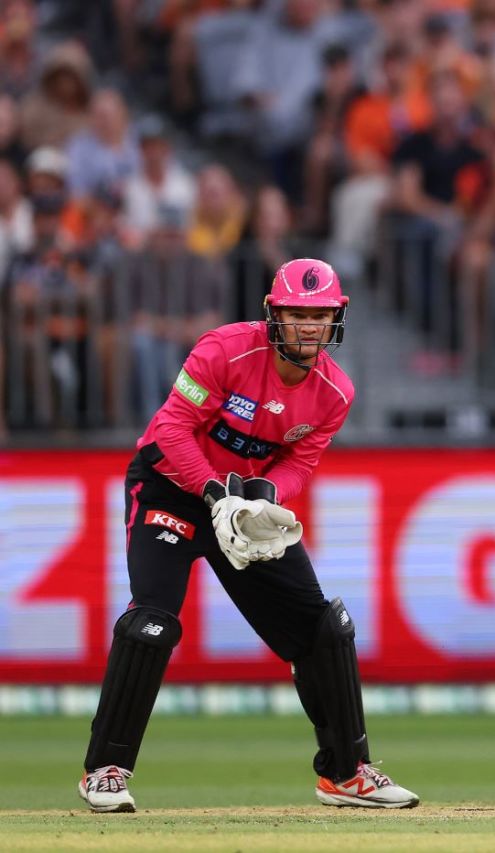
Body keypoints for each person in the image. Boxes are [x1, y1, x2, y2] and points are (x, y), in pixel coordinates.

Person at [78, 259, 419, 813]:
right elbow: (170, 429)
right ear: (273, 314)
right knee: (153, 624)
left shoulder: (335, 392)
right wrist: (217, 496)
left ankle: (346, 773)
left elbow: (297, 464)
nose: (309, 326)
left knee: (324, 626)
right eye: (297, 313)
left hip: (237, 507)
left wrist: (263, 502)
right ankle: (107, 769)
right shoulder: (223, 350)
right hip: (169, 490)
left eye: (320, 314)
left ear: (337, 317)